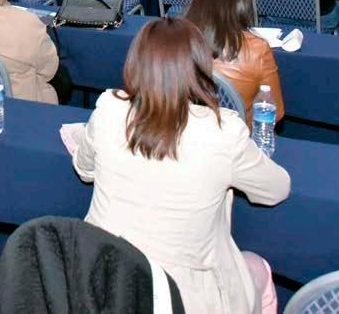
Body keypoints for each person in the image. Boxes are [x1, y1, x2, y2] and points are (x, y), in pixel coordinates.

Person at [72, 18, 289, 314]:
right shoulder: (223, 131)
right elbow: (276, 190)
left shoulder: (109, 109)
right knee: (257, 267)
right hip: (184, 299)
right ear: (200, 67)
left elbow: (84, 170)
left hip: (102, 283)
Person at [184, 0, 284, 124]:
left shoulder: (172, 39)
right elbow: (275, 112)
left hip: (185, 132)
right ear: (243, 1)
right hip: (238, 136)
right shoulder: (257, 49)